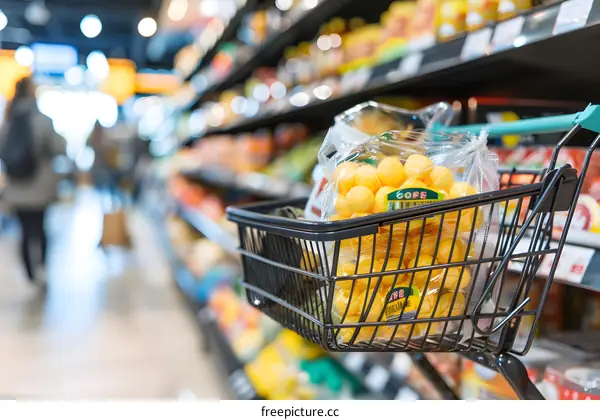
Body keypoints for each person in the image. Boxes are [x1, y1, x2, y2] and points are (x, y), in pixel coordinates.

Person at [0, 77, 66, 286]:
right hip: (39, 187)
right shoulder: (42, 120)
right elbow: (58, 148)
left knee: (24, 231)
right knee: (40, 228)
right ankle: (41, 269)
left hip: (16, 188)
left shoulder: (9, 120)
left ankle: (30, 273)